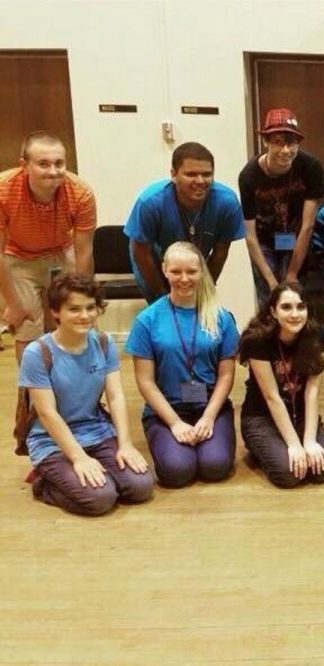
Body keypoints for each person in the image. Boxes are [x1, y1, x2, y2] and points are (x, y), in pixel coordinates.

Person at [18, 273, 152, 515]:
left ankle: (95, 475)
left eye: (91, 307)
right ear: (55, 312)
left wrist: (125, 444)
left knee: (140, 487)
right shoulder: (37, 353)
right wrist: (79, 458)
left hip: (96, 431)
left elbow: (115, 396)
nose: (85, 316)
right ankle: (45, 484)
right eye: (74, 309)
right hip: (52, 442)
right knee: (101, 499)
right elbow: (47, 414)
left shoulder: (103, 342)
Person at [125, 241, 239, 488]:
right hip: (167, 410)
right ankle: (172, 440)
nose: (184, 278)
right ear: (164, 270)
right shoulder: (148, 320)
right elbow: (145, 382)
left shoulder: (221, 317)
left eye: (192, 271)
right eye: (176, 271)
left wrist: (209, 417)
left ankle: (210, 436)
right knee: (177, 472)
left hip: (211, 406)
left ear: (202, 272)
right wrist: (175, 423)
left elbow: (226, 376)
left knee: (215, 466)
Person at [0, 131, 96, 362]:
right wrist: (13, 304)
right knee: (27, 326)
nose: (53, 171)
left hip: (61, 253)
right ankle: (30, 394)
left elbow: (84, 252)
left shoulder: (81, 193)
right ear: (24, 165)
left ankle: (73, 390)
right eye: (43, 164)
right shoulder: (3, 190)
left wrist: (80, 298)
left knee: (72, 320)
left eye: (59, 164)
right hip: (18, 257)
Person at [239, 281, 324, 488]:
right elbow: (271, 397)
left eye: (301, 307)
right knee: (289, 474)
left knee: (322, 470)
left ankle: (287, 445)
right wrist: (293, 444)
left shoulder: (318, 337)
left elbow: (312, 393)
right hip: (262, 416)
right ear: (273, 312)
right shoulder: (257, 340)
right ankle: (262, 447)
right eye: (286, 307)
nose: (295, 314)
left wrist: (308, 441)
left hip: (300, 415)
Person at [124, 141, 245, 302]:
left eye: (207, 174)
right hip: (153, 258)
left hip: (197, 259)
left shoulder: (226, 202)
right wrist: (162, 297)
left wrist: (205, 291)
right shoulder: (150, 202)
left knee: (198, 306)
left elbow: (221, 251)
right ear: (174, 175)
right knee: (164, 311)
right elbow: (140, 251)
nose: (200, 181)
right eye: (191, 174)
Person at [238, 108, 324, 310]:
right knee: (269, 303)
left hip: (296, 238)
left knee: (294, 299)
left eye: (291, 142)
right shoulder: (249, 176)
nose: (286, 150)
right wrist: (271, 281)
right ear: (266, 142)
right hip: (263, 241)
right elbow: (250, 235)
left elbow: (308, 225)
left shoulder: (311, 167)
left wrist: (292, 274)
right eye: (278, 142)